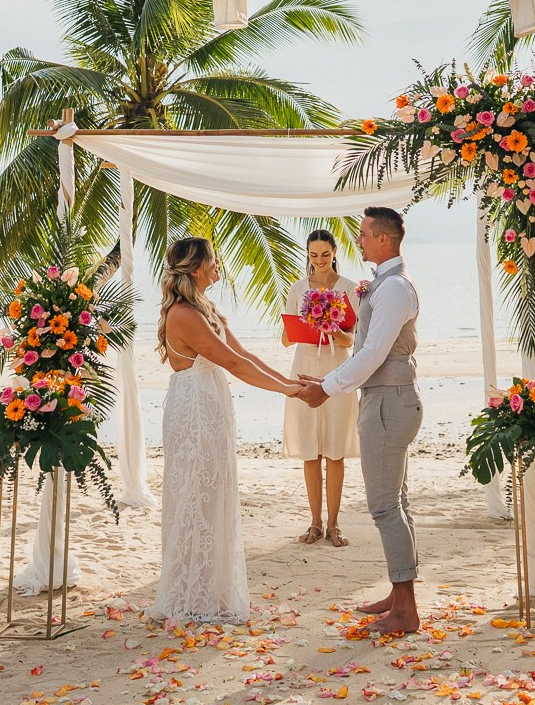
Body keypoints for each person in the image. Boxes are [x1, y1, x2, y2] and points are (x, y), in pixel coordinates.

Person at [151, 236, 301, 625]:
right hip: (194, 412)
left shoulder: (205, 309)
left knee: (213, 494)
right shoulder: (184, 314)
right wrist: (285, 391)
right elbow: (233, 364)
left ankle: (210, 590)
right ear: (198, 268)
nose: (218, 265)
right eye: (213, 260)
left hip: (210, 408)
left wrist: (290, 383)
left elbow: (244, 356)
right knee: (195, 495)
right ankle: (188, 593)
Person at [295, 206, 422, 636]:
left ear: (384, 239)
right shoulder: (386, 284)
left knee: (385, 506)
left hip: (388, 403)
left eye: (364, 234)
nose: (359, 240)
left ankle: (405, 608)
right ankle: (400, 595)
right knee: (396, 502)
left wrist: (328, 388)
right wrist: (326, 380)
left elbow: (371, 354)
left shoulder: (394, 288)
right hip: (384, 399)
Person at [281, 228, 360, 547]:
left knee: (335, 451)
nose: (320, 260)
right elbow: (286, 339)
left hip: (338, 372)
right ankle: (314, 523)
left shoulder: (349, 289)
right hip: (304, 370)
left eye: (325, 254)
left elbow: (351, 340)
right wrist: (307, 324)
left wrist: (331, 326)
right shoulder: (297, 288)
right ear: (307, 254)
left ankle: (334, 524)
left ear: (335, 252)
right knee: (310, 451)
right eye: (313, 255)